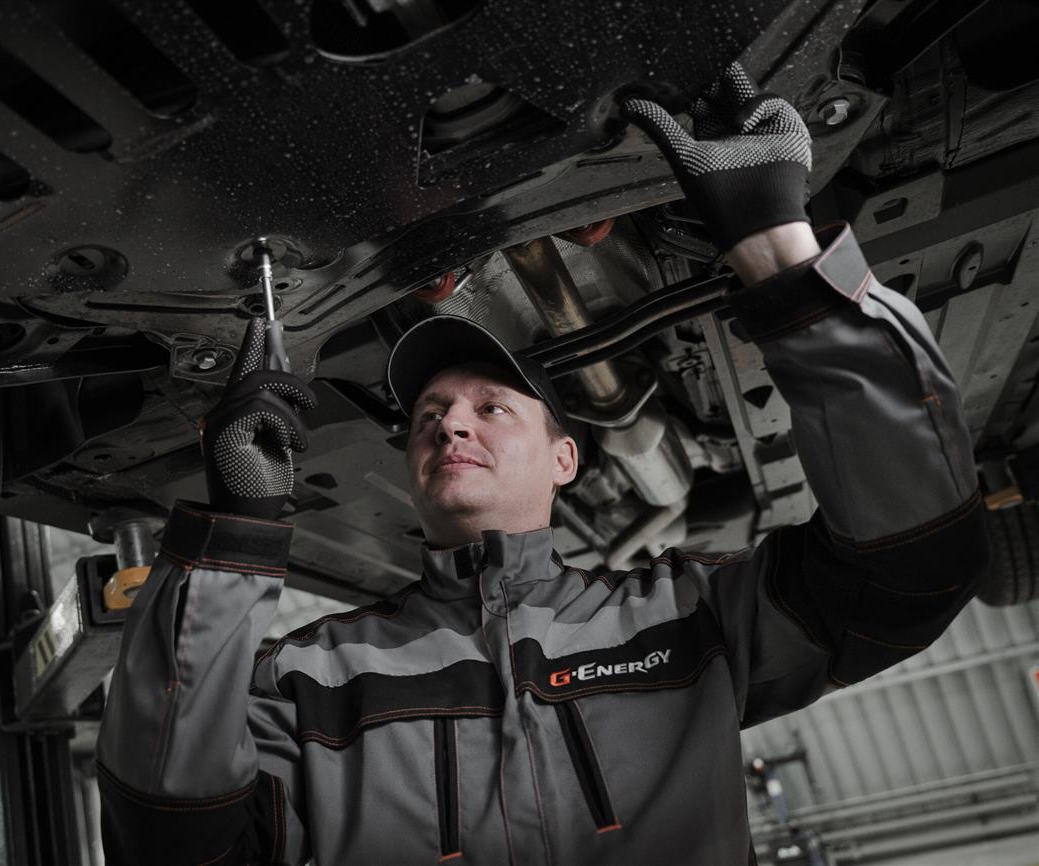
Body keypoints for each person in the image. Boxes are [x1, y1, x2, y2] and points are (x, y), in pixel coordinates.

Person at [94, 64, 989, 865]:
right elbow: (171, 840)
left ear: (566, 457)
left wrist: (780, 251)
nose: (451, 424)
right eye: (430, 417)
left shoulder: (692, 620)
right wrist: (234, 532)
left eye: (490, 408)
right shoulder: (311, 677)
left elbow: (912, 566)